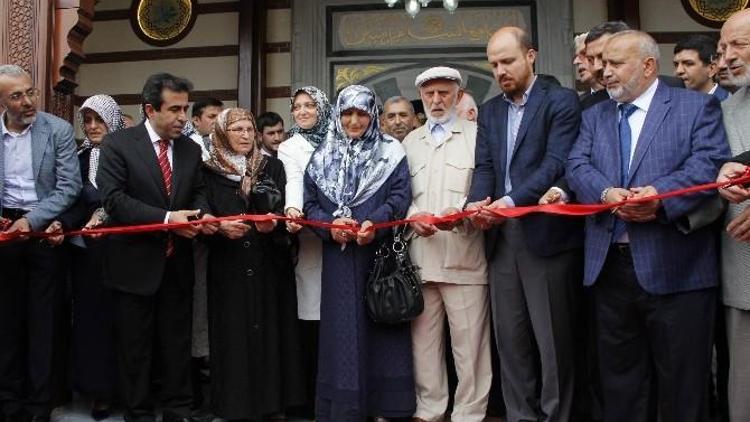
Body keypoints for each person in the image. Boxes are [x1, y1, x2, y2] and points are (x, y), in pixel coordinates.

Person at [566, 30, 730, 422]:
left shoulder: (694, 108)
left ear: (649, 66)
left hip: (678, 267)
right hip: (610, 270)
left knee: (682, 386)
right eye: (603, 63)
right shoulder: (594, 115)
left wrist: (658, 197)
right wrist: (606, 193)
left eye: (615, 63)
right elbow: (577, 165)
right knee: (621, 384)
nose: (605, 72)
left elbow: (708, 162)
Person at [465, 27, 583, 422]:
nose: (500, 71)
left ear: (531, 56)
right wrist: (476, 203)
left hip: (545, 234)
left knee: (553, 343)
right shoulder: (492, 109)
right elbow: (484, 167)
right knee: (510, 343)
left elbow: (556, 163)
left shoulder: (561, 101)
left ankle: (556, 416)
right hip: (501, 239)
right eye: (494, 64)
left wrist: (511, 201)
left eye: (508, 61)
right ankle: (520, 416)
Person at [96, 73, 219, 422]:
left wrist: (201, 216)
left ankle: (178, 410)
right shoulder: (118, 145)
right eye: (175, 109)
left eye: (186, 109)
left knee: (176, 345)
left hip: (177, 267)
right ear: (150, 109)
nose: (183, 117)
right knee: (135, 349)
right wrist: (168, 219)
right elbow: (115, 201)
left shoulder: (191, 149)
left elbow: (198, 193)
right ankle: (138, 412)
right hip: (132, 267)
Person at [304, 84, 414, 421]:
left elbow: (400, 197)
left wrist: (373, 222)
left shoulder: (391, 152)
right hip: (337, 260)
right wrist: (328, 225)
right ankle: (344, 408)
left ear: (373, 115)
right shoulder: (320, 157)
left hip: (377, 257)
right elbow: (308, 205)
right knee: (342, 334)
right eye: (347, 113)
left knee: (382, 329)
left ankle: (386, 406)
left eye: (362, 113)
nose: (354, 120)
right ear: (337, 116)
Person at [202, 107, 305, 420]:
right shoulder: (207, 170)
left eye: (249, 129)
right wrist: (220, 228)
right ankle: (236, 406)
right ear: (222, 134)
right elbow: (201, 211)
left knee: (271, 332)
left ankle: (272, 404)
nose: (246, 135)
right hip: (228, 265)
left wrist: (272, 226)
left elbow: (286, 211)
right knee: (233, 335)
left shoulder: (271, 166)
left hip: (268, 264)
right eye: (238, 130)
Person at [404, 66, 491, 422]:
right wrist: (413, 215)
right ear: (421, 98)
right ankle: (430, 408)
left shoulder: (478, 135)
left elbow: (488, 185)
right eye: (429, 94)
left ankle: (469, 412)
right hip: (421, 257)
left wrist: (468, 208)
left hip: (465, 256)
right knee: (423, 346)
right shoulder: (410, 141)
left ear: (458, 94)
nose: (436, 100)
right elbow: (400, 194)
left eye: (444, 93)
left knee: (470, 347)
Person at [0, 64, 81, 422]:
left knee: (42, 323)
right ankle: (8, 402)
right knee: (6, 322)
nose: (28, 100)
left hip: (43, 232)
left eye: (30, 91)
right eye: (16, 96)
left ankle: (39, 406)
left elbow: (68, 187)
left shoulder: (58, 130)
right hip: (4, 234)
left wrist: (30, 221)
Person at [53, 95, 124, 421]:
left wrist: (106, 214)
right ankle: (97, 392)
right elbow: (71, 198)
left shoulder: (129, 155)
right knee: (90, 325)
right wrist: (62, 223)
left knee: (124, 326)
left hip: (124, 254)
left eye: (100, 120)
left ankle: (126, 390)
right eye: (88, 121)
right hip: (85, 257)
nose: (93, 127)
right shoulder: (78, 158)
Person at [277, 86, 331, 418]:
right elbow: (293, 181)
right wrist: (294, 210)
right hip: (309, 242)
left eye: (310, 105)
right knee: (311, 318)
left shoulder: (339, 139)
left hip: (343, 240)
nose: (303, 111)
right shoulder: (289, 145)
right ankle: (311, 399)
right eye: (297, 107)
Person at [714, 8, 750, 421]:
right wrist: (718, 177)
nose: (726, 58)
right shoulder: (723, 110)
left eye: (738, 45)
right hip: (742, 270)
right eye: (724, 48)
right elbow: (708, 171)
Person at [582, 21, 631, 109]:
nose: (596, 67)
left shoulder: (663, 92)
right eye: (591, 60)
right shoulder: (585, 108)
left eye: (602, 56)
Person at [673, 34, 729, 99]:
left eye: (688, 64)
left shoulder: (729, 103)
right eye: (676, 65)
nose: (678, 71)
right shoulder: (673, 101)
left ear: (712, 69)